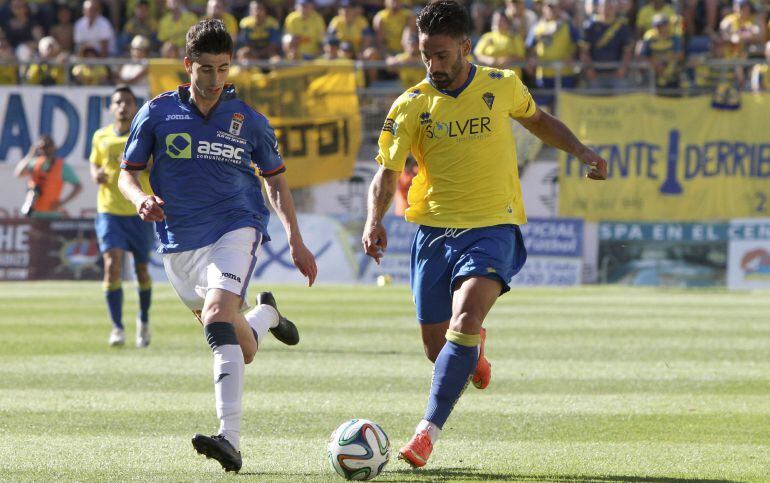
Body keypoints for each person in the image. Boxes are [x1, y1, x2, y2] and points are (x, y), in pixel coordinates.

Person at [361, 0, 607, 469]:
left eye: (443, 55)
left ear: (465, 47)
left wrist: (581, 151)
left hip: (493, 225)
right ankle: (471, 357)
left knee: (465, 322)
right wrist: (373, 221)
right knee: (438, 348)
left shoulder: (502, 84)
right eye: (425, 55)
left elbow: (539, 121)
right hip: (433, 232)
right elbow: (387, 173)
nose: (434, 65)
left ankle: (425, 434)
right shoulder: (410, 105)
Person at [118, 18, 317, 473]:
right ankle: (266, 315)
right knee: (240, 346)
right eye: (205, 69)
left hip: (235, 227)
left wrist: (296, 239)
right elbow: (127, 172)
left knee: (215, 317)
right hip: (177, 245)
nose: (214, 80)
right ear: (188, 65)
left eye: (223, 69)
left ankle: (229, 439)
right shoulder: (157, 113)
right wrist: (141, 198)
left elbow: (277, 183)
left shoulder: (249, 121)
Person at [91, 85, 156, 348]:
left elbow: (156, 165)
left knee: (142, 270)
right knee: (112, 265)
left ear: (135, 106)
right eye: (118, 102)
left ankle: (144, 320)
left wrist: (151, 165)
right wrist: (96, 174)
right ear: (111, 107)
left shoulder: (145, 136)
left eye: (127, 102)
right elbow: (95, 162)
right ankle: (117, 327)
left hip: (139, 211)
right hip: (109, 211)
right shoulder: (101, 136)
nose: (122, 106)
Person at [14, 134, 82, 219]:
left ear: (53, 148)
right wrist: (30, 155)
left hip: (52, 214)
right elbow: (18, 173)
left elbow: (78, 186)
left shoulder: (61, 166)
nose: (45, 150)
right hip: (34, 214)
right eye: (42, 147)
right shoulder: (35, 163)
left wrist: (62, 203)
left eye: (47, 146)